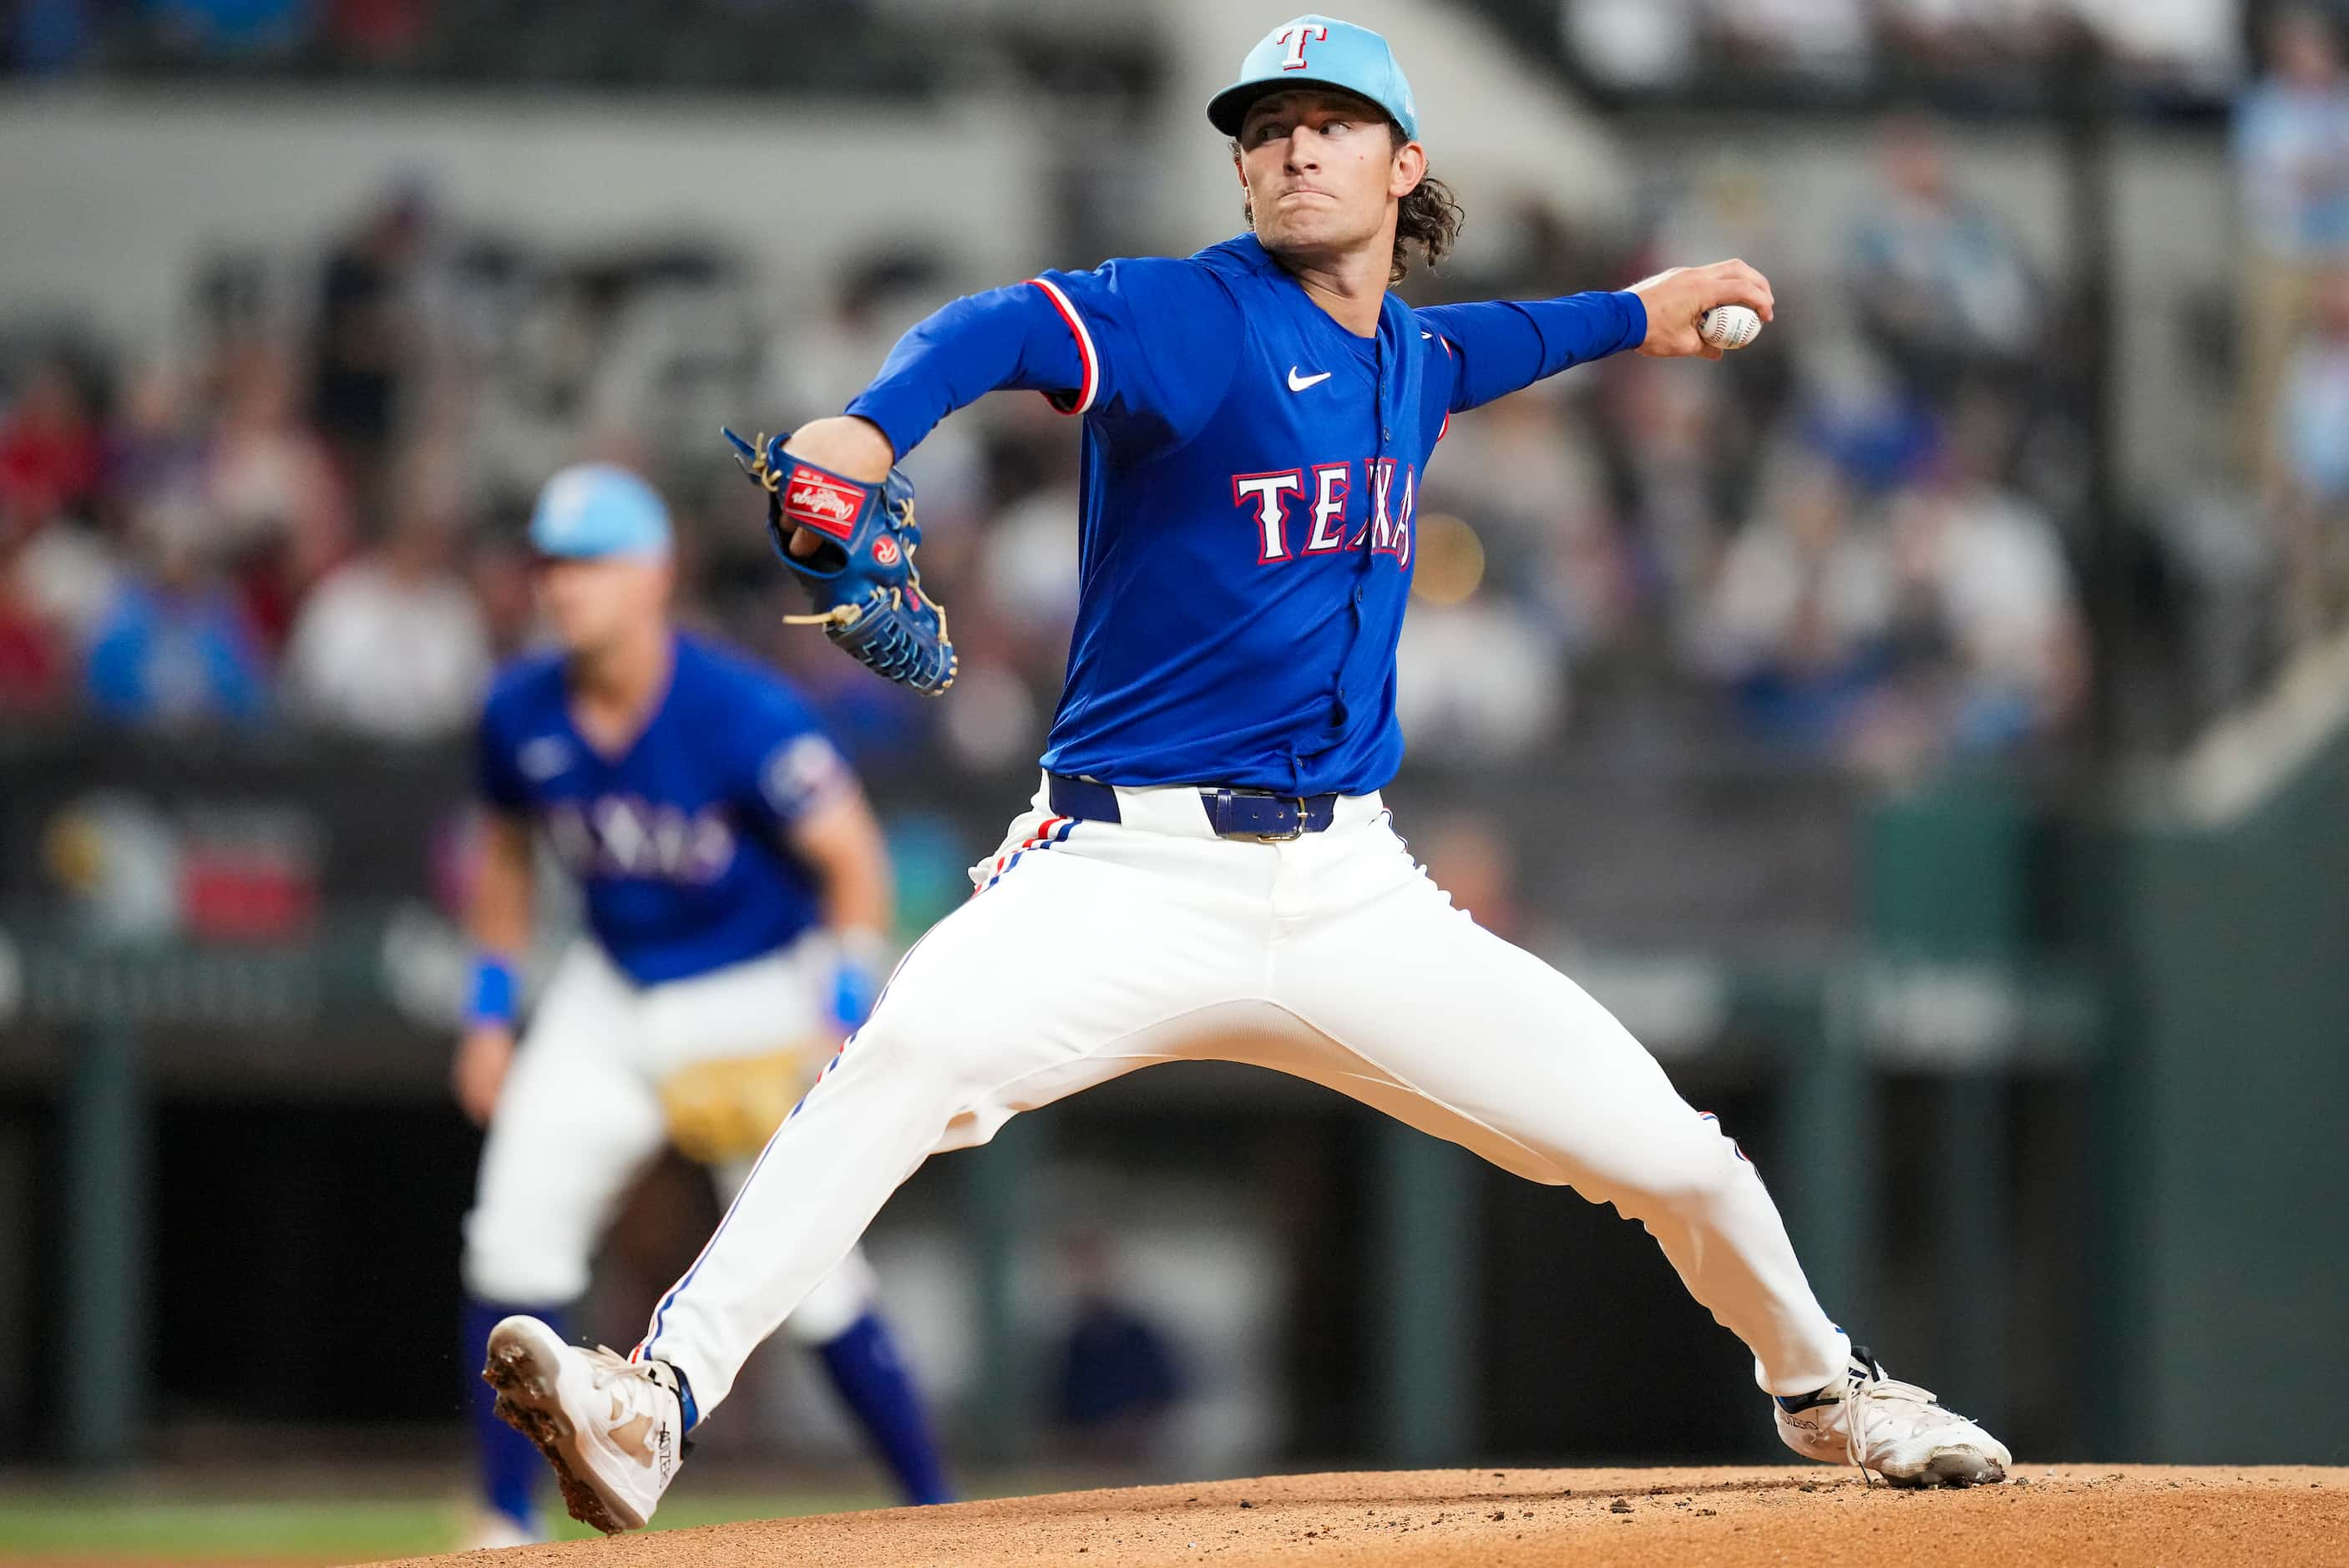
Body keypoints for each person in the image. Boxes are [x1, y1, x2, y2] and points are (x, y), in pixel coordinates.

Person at [481, 17, 2010, 1534]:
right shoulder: (1192, 318)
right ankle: (657, 1395)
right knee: (903, 1061)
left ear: (1405, 166)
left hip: (1351, 888)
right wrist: (874, 428)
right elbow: (1005, 326)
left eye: (1329, 121)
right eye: (1263, 124)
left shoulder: (1409, 353)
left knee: (1675, 1153)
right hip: (1121, 868)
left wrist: (1642, 310)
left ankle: (1827, 1389)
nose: (1288, 145)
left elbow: (1506, 340)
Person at [458, 463, 950, 1546]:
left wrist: (839, 1014)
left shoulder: (740, 709)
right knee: (511, 1239)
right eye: (550, 563)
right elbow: (502, 864)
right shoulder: (517, 710)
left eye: (589, 563)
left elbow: (853, 861)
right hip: (611, 987)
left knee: (811, 1272)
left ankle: (938, 1510)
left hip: (752, 994)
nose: (563, 585)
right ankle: (504, 1520)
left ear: (651, 575)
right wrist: (489, 1012)